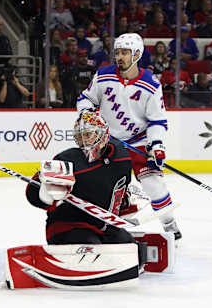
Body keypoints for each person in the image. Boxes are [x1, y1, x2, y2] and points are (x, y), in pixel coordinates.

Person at [76, 33, 182, 241]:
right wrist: (87, 113)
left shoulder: (151, 83)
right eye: (117, 52)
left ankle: (169, 223)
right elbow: (85, 99)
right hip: (108, 142)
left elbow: (157, 121)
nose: (120, 57)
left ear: (137, 54)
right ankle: (117, 224)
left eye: (125, 52)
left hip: (139, 142)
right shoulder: (104, 75)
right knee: (110, 186)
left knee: (154, 184)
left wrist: (157, 146)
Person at [25, 112, 142, 245]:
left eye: (88, 135)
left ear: (103, 134)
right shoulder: (68, 160)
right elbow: (33, 195)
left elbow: (118, 192)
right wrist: (44, 188)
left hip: (104, 227)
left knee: (131, 248)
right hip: (68, 226)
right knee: (93, 247)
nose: (84, 141)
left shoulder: (122, 158)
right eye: (79, 137)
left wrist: (126, 201)